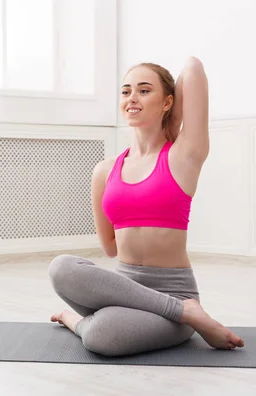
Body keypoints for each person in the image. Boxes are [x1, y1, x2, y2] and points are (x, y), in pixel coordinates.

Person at [48, 57, 245, 357]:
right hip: (124, 289)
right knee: (60, 267)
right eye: (126, 91)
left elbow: (193, 69)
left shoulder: (182, 156)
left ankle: (80, 321)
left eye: (144, 90)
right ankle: (186, 313)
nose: (132, 99)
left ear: (168, 102)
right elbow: (110, 249)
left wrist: (170, 120)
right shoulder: (104, 171)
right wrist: (154, 102)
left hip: (173, 290)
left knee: (102, 336)